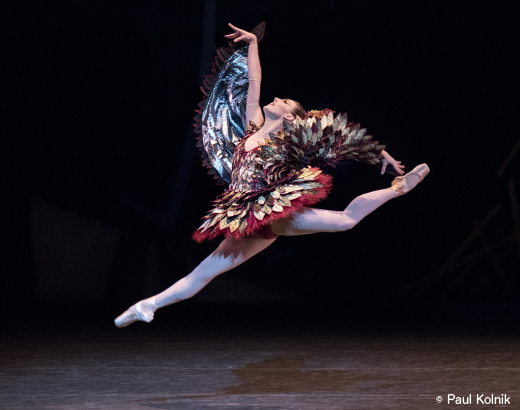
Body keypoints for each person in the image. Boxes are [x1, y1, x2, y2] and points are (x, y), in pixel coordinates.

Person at [114, 23, 429, 328]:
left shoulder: (288, 142)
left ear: (290, 116)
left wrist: (379, 154)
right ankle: (147, 305)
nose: (275, 99)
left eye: (284, 102)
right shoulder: (252, 125)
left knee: (346, 220)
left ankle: (399, 188)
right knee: (204, 273)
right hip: (248, 216)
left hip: (271, 209)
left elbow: (338, 138)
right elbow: (255, 81)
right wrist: (253, 43)